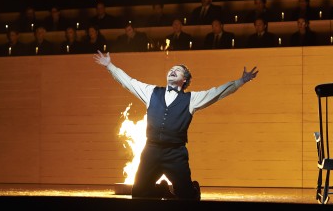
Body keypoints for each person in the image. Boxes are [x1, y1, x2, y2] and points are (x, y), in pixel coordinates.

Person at [93, 50, 259, 200]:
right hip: (151, 150)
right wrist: (110, 65)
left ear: (184, 79)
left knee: (186, 196)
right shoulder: (151, 92)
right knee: (139, 193)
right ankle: (163, 190)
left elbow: (217, 93)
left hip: (175, 153)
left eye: (177, 70)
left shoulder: (191, 99)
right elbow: (129, 82)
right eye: (171, 69)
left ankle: (193, 189)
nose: (172, 71)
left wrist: (240, 81)